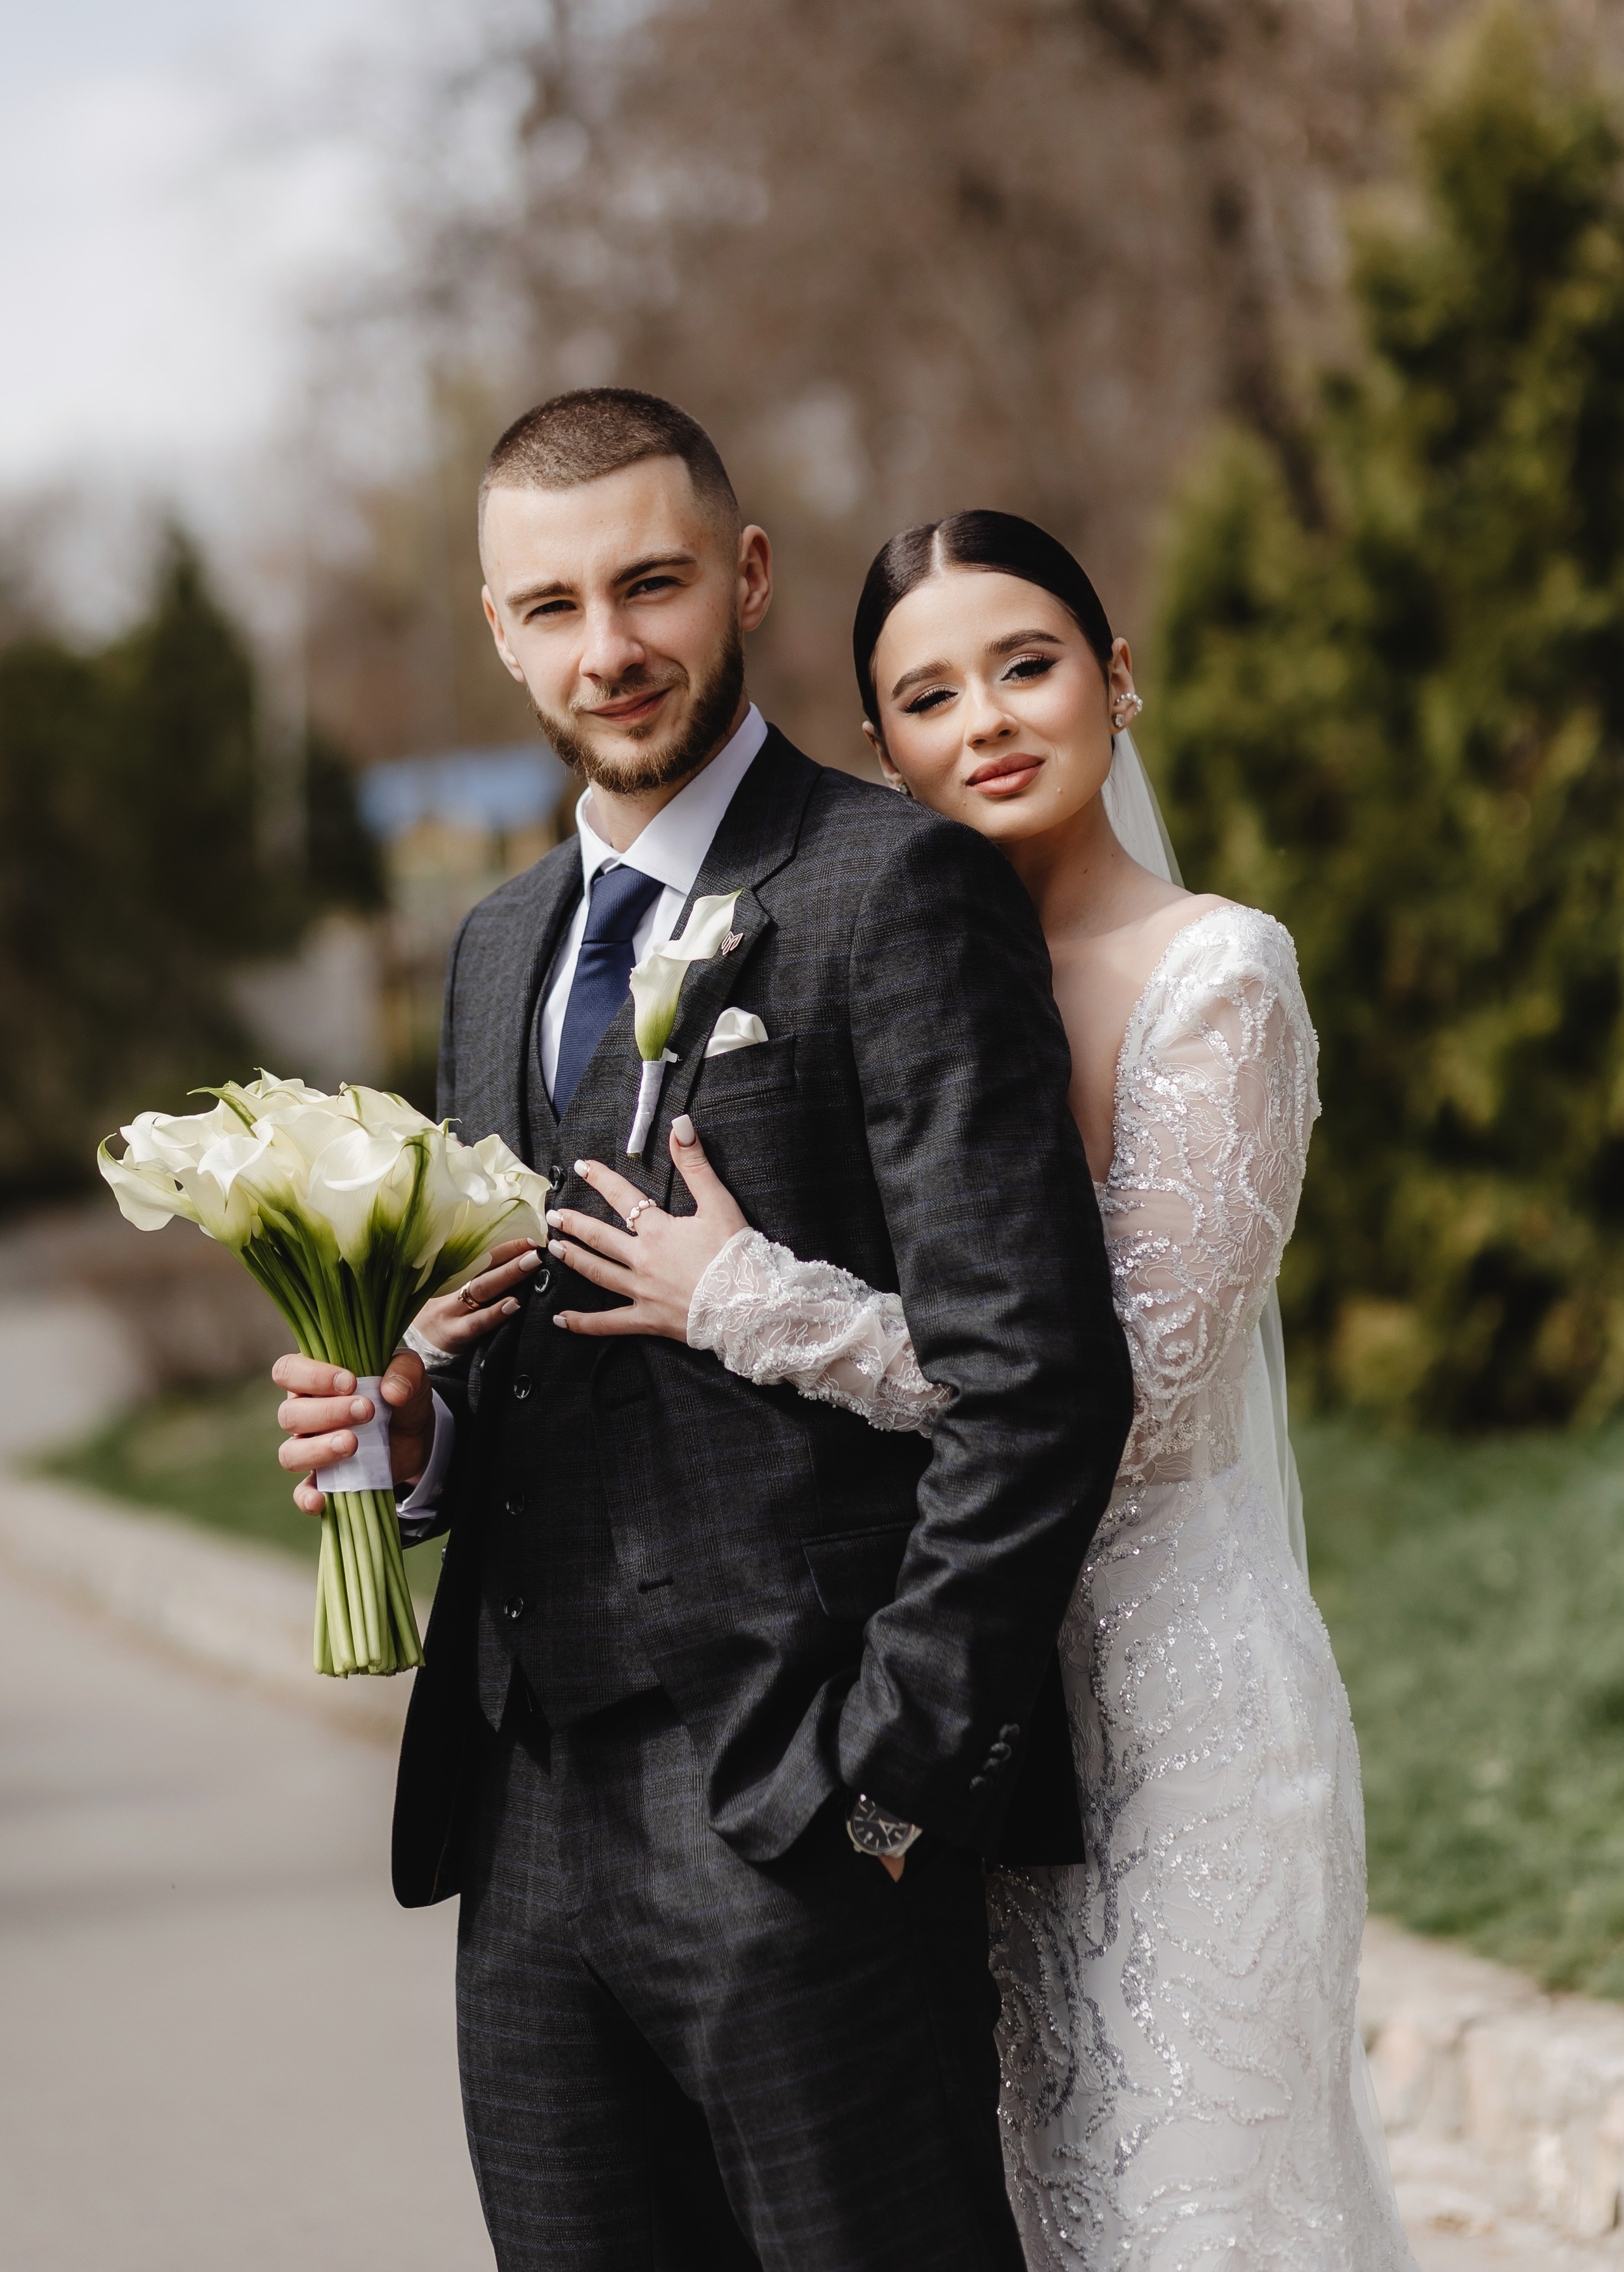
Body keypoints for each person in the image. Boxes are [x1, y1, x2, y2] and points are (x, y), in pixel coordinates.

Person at [271, 400, 1134, 2271]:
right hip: (523, 1830)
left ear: (743, 579)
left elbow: (1041, 1383)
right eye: (556, 602)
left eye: (652, 583)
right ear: (499, 627)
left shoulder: (894, 887)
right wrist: (412, 1441)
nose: (611, 648)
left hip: (802, 1820)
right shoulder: (496, 950)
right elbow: (535, 1354)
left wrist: (893, 1787)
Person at [531, 512, 1419, 2269]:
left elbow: (1136, 1405)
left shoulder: (1217, 977)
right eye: (925, 696)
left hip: (1177, 1708)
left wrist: (750, 1302)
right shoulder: (896, 980)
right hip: (957, 1711)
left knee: (1193, 2214)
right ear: (881, 749)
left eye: (1027, 665)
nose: (986, 721)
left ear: (1119, 677)